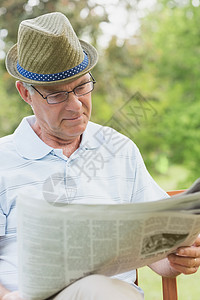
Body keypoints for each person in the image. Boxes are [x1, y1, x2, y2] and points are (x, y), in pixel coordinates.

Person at [0, 12, 200, 300]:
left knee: (98, 289)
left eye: (81, 87)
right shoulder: (4, 160)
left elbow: (159, 250)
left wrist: (178, 256)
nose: (75, 106)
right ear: (26, 93)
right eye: (56, 95)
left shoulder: (120, 149)